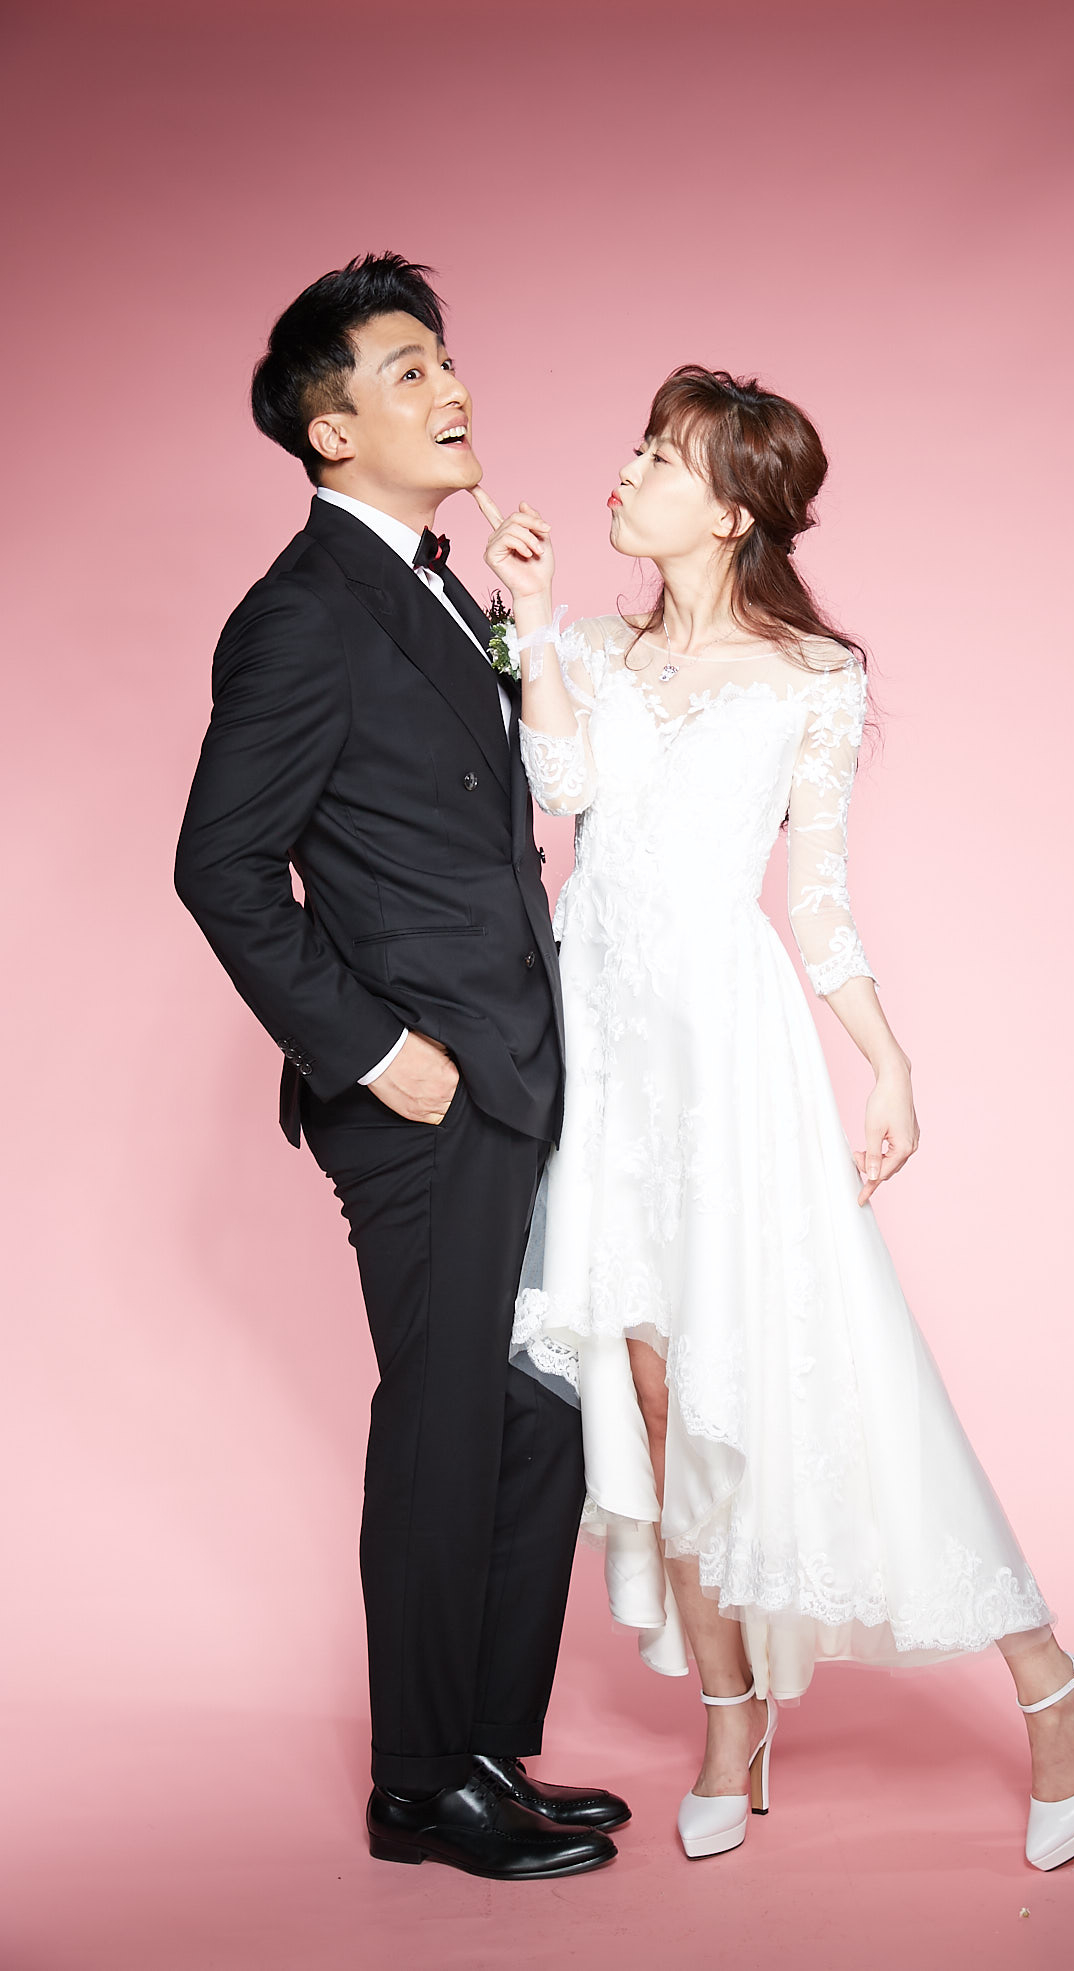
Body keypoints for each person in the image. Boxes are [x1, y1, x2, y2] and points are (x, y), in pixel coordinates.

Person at [474, 364, 1074, 1871]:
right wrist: (533, 622)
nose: (626, 472)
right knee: (652, 1398)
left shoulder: (812, 678)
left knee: (820, 1373)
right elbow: (564, 788)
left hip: (729, 1054)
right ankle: (732, 1719)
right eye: (636, 447)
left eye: (662, 459)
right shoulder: (591, 644)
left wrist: (888, 1066)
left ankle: (1056, 1689)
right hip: (609, 1053)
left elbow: (819, 902)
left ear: (729, 512)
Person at [174, 253, 628, 1880]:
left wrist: (520, 626)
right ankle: (423, 1787)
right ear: (328, 428)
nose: (452, 390)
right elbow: (221, 865)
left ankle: (484, 1749)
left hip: (516, 1074)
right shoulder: (301, 612)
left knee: (534, 1418)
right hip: (423, 1094)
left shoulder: (434, 590)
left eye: (447, 360)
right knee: (446, 1423)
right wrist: (376, 1054)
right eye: (410, 370)